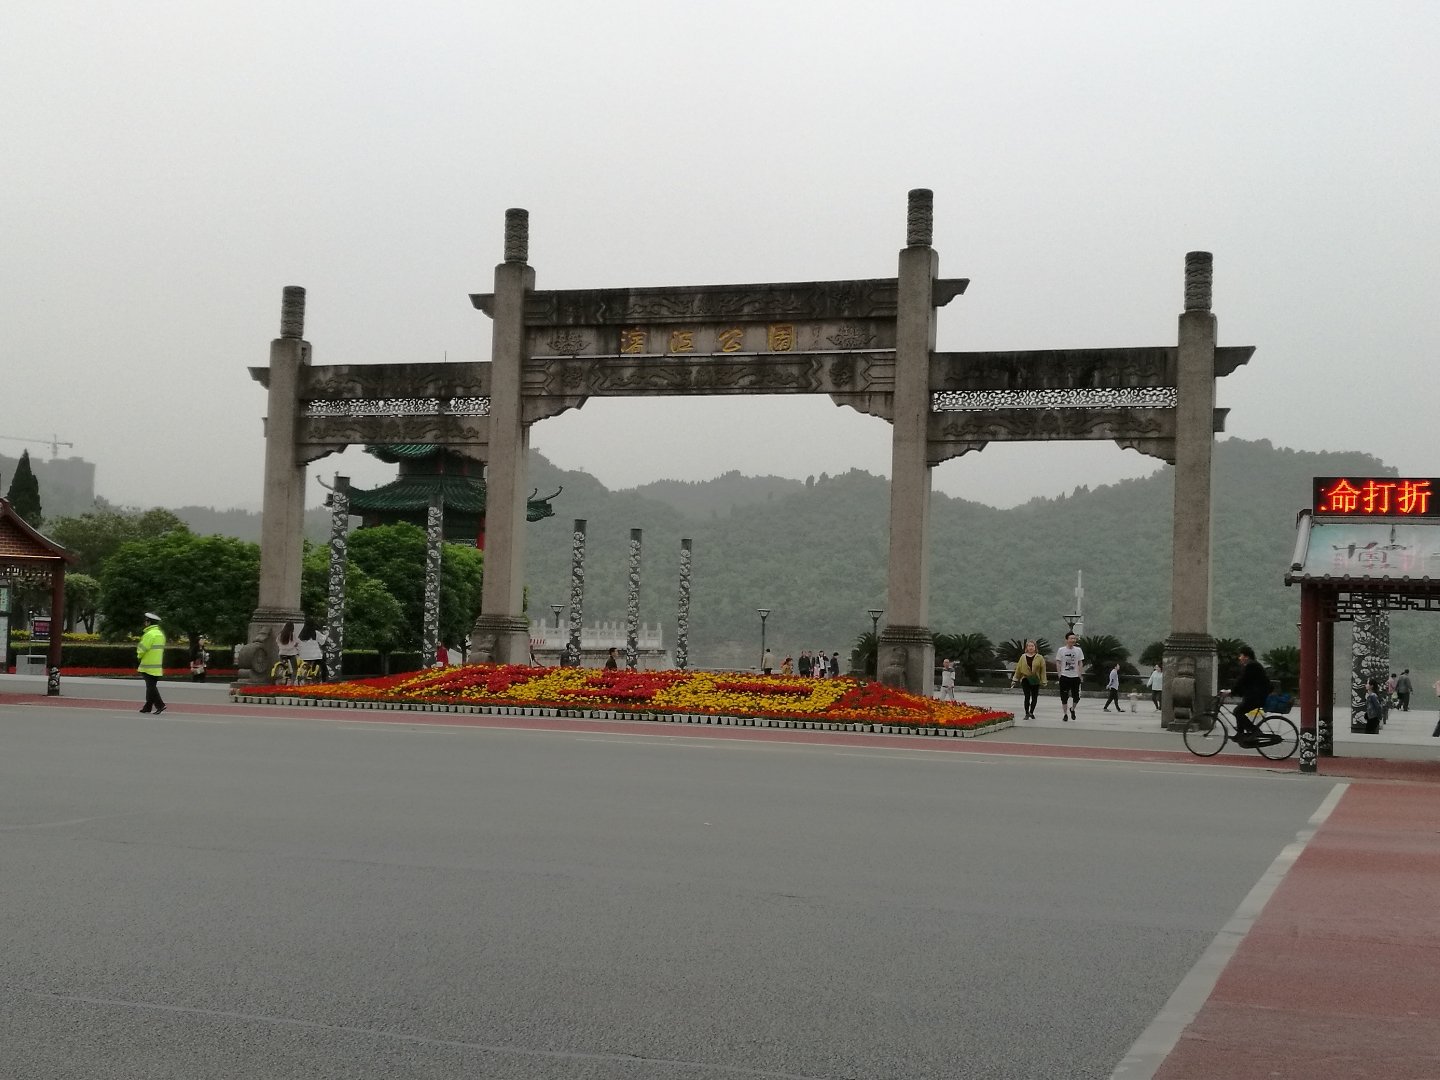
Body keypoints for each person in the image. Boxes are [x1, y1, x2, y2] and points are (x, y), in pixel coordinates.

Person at [1226, 645, 1272, 745]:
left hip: (1257, 697)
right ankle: (1240, 734)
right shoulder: (1252, 665)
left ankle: (1254, 731)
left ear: (1246, 657)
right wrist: (1233, 691)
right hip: (1254, 696)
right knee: (1239, 711)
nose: (1239, 658)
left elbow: (1242, 681)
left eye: (1241, 655)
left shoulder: (1251, 666)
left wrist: (1231, 692)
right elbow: (1244, 682)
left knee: (1237, 711)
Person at [136, 611, 166, 714]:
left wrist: (139, 656)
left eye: (146, 621)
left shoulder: (149, 634)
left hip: (147, 665)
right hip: (157, 665)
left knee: (151, 687)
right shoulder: (160, 634)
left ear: (149, 622)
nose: (144, 623)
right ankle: (147, 707)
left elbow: (142, 649)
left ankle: (160, 705)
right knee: (151, 686)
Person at [1010, 640, 1047, 720]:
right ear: (1026, 647)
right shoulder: (1023, 657)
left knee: (1034, 696)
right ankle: (1027, 713)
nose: (1031, 647)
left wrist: (1044, 681)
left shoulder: (1040, 657)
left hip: (1035, 679)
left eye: (1032, 646)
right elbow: (1018, 669)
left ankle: (1031, 712)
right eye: (1029, 646)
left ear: (1035, 647)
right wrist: (1015, 679)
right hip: (1025, 678)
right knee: (1027, 696)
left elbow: (1043, 670)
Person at [1054, 632, 1084, 721]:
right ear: (1066, 640)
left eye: (1074, 638)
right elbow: (1058, 662)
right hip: (1064, 676)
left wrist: (1079, 674)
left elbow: (1080, 662)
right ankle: (1065, 714)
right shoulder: (1061, 650)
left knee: (1076, 697)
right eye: (1071, 638)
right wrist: (1059, 674)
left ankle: (1072, 709)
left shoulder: (1078, 650)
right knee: (1064, 697)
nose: (1073, 640)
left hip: (1075, 677)